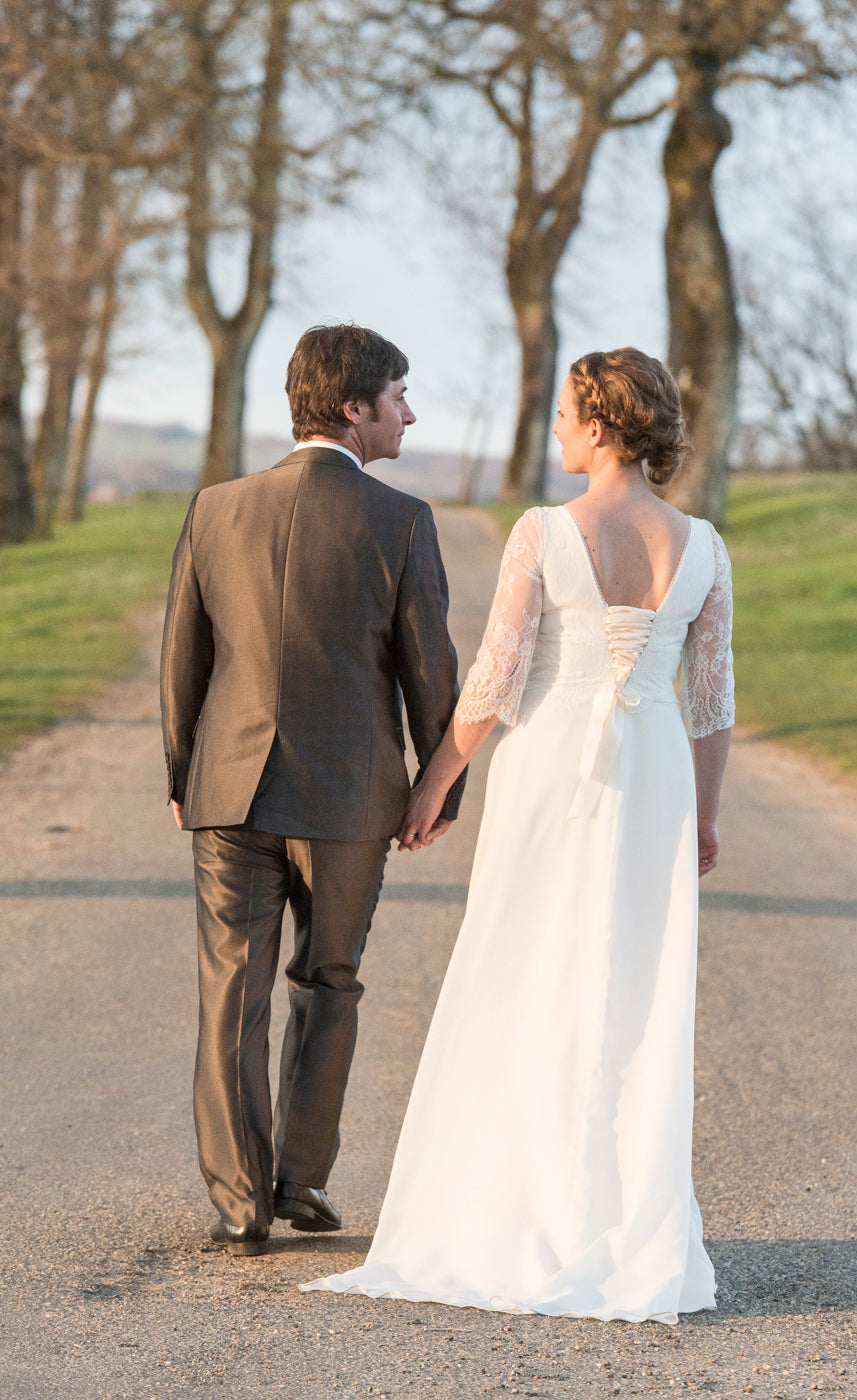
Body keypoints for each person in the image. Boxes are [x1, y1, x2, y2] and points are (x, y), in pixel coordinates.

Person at [304, 347, 735, 1322]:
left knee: (523, 966)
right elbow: (710, 703)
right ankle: (621, 1221)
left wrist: (433, 783)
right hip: (656, 773)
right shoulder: (702, 542)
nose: (552, 431)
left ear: (597, 423)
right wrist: (704, 814)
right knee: (633, 985)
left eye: (563, 414)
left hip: (550, 772)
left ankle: (509, 1209)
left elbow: (494, 681)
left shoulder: (545, 531)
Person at [160, 324, 464, 1257]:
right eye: (399, 397)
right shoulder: (402, 520)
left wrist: (182, 775)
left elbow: (184, 658)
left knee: (231, 991)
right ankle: (302, 1178)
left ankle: (239, 1203)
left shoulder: (216, 507)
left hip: (230, 789)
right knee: (328, 982)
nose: (410, 414)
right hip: (350, 798)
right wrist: (434, 792)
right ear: (354, 408)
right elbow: (430, 673)